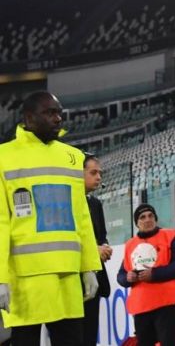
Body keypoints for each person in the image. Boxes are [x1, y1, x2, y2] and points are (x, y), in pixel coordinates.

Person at [0, 91, 100, 346]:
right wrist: (0, 278)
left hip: (67, 275)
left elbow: (81, 216)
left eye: (59, 113)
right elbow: (1, 222)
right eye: (50, 113)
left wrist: (89, 267)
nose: (58, 119)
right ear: (29, 118)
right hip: (26, 278)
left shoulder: (73, 157)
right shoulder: (4, 157)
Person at [118, 204, 175, 346]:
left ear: (156, 218)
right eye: (142, 217)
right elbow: (121, 275)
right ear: (137, 223)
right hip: (141, 305)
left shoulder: (170, 236)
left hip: (166, 302)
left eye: (151, 216)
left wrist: (155, 274)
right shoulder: (130, 244)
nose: (147, 220)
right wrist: (128, 278)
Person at [82, 154, 112, 346]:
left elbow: (102, 236)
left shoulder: (95, 203)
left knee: (90, 336)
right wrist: (94, 250)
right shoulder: (67, 203)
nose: (99, 177)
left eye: (100, 173)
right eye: (93, 173)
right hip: (74, 280)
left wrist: (105, 247)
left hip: (96, 275)